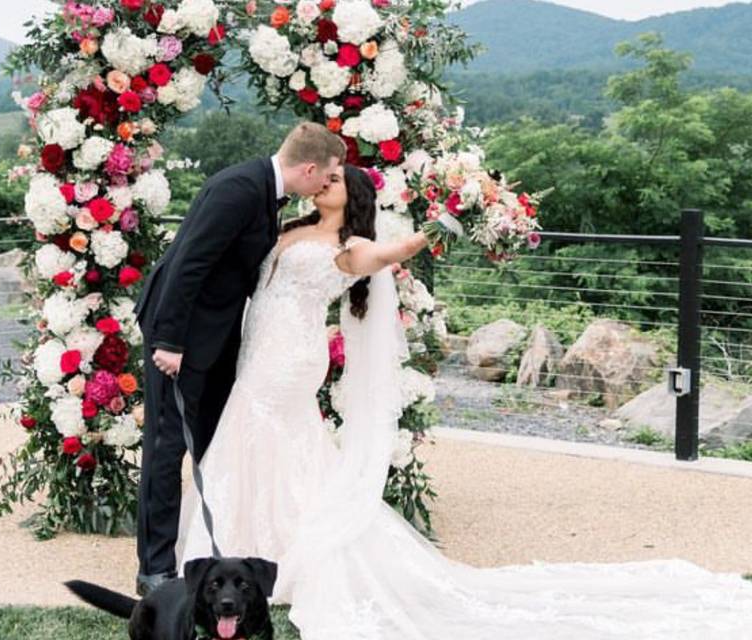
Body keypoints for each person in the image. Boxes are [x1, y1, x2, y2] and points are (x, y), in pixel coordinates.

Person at [177, 164, 752, 638]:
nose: (326, 179)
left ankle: (286, 553)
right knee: (257, 437)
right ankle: (254, 549)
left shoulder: (352, 244)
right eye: (323, 174)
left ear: (355, 196)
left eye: (337, 178)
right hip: (260, 350)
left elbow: (395, 251)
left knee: (276, 436)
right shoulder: (291, 225)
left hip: (290, 361)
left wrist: (457, 215)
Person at [133, 121, 347, 596]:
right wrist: (169, 340)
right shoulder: (239, 188)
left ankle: (208, 553)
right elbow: (189, 261)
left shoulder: (267, 193)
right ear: (309, 168)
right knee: (167, 448)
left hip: (217, 338)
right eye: (329, 174)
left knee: (213, 443)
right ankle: (154, 569)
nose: (329, 184)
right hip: (182, 338)